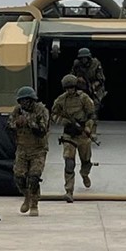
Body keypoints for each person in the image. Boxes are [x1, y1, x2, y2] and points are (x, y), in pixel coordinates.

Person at [50, 74, 96, 202]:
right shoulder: (61, 100)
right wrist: (63, 121)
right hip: (69, 134)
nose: (69, 90)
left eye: (72, 88)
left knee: (86, 161)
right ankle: (69, 191)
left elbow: (92, 114)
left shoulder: (84, 98)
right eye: (67, 88)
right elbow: (53, 114)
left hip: (82, 133)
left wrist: (88, 127)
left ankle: (84, 174)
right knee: (69, 162)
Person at [7, 86, 50, 216]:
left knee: (34, 176)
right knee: (19, 177)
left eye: (26, 101)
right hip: (22, 148)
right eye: (21, 101)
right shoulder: (18, 111)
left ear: (32, 100)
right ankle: (27, 196)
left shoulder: (41, 111)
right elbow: (8, 125)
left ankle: (34, 203)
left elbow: (42, 130)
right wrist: (17, 123)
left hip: (38, 149)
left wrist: (30, 122)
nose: (24, 104)